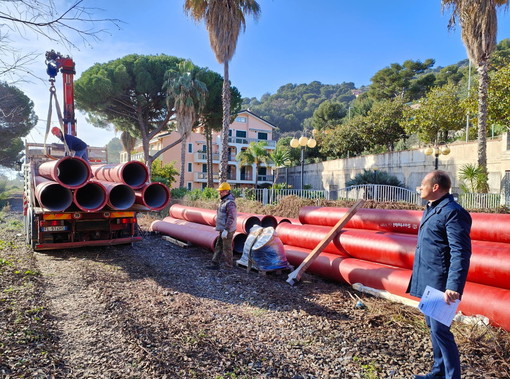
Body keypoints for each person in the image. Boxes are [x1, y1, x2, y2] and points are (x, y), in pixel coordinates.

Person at [408, 170, 472, 379]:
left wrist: (453, 285)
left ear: (435, 187)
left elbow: (460, 252)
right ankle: (438, 372)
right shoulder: (432, 208)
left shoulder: (453, 212)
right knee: (433, 328)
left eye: (422, 184)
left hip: (442, 284)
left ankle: (452, 376)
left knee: (441, 331)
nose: (420, 188)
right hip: (429, 280)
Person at [207, 182, 237, 270]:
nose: (219, 193)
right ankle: (214, 263)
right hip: (223, 229)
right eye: (219, 191)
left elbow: (231, 217)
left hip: (228, 230)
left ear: (227, 191)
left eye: (221, 191)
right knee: (218, 246)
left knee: (227, 248)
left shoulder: (230, 203)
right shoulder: (223, 201)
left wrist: (227, 230)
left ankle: (228, 266)